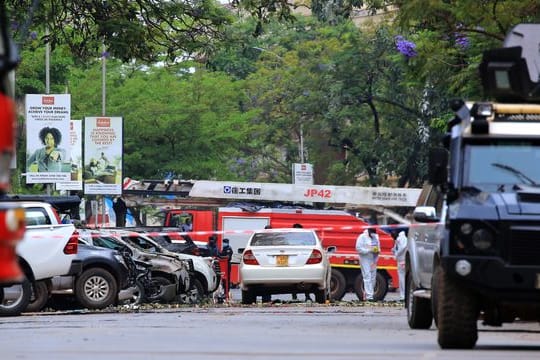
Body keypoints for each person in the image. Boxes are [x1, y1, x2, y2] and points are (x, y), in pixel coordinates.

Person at [355, 227, 380, 301]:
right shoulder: (362, 237)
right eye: (372, 232)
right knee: (367, 276)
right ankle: (369, 297)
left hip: (373, 259)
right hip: (365, 259)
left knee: (373, 277)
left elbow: (378, 247)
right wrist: (368, 250)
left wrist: (377, 250)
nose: (373, 234)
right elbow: (358, 248)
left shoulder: (376, 237)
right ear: (368, 231)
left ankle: (369, 294)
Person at [392, 230, 408, 301]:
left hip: (402, 260)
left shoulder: (401, 238)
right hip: (401, 260)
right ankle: (403, 295)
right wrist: (394, 250)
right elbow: (398, 248)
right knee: (402, 279)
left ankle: (403, 296)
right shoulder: (401, 238)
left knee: (402, 279)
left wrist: (397, 254)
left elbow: (402, 247)